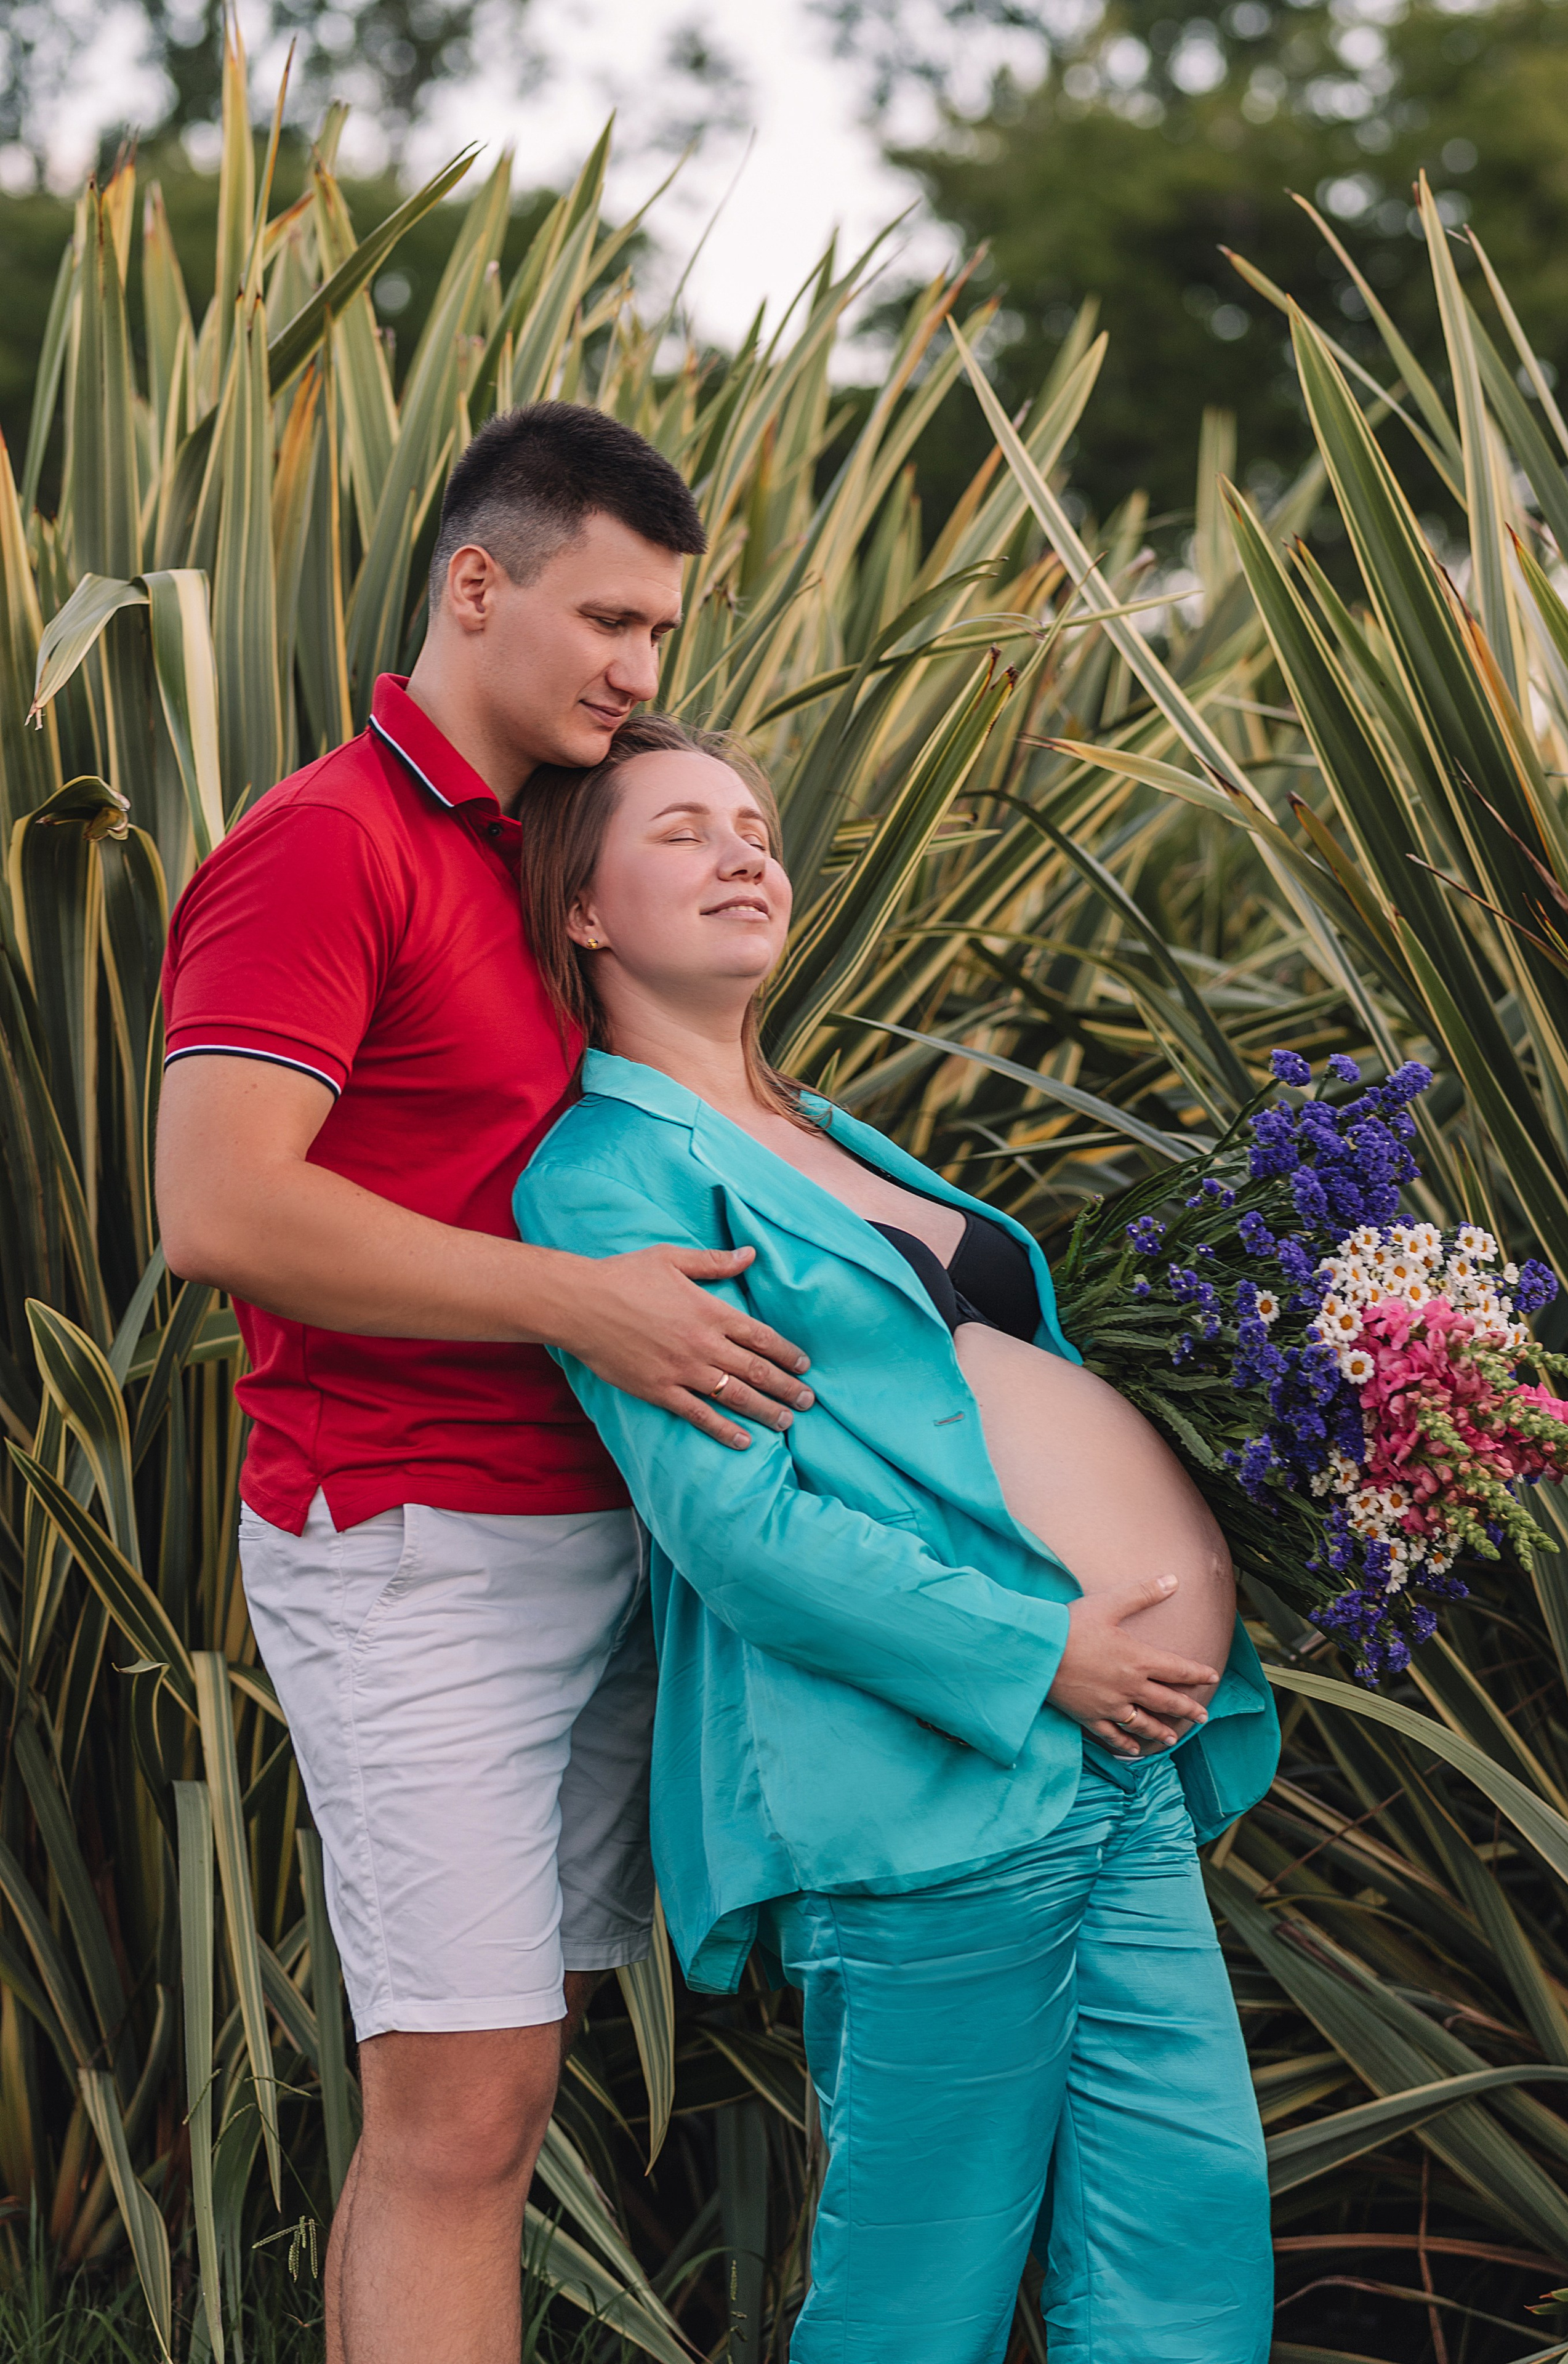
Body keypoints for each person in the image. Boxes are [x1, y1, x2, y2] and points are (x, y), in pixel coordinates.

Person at [155, 405, 818, 2364]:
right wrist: (580, 1306)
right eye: (608, 617)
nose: (638, 670)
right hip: (413, 1551)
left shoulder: (550, 857)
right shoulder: (323, 846)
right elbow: (218, 1211)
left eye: (662, 635)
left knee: (493, 2109)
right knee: (455, 2119)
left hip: (594, 1542)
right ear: (476, 583)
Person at [512, 713, 1282, 2364]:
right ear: (580, 907)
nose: (744, 853)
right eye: (683, 832)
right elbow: (741, 1530)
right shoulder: (607, 1174)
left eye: (759, 826)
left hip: (1114, 1768)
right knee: (916, 2297)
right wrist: (1043, 1654)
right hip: (930, 1784)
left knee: (1187, 2247)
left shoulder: (828, 1131)